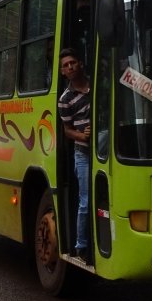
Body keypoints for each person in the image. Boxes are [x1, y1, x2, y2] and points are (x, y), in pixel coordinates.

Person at [57, 48, 91, 264]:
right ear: (62, 72)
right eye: (65, 65)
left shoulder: (97, 85)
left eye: (73, 62)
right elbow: (67, 130)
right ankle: (82, 246)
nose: (70, 67)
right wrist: (82, 135)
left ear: (80, 64)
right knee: (85, 202)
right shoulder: (65, 99)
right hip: (83, 153)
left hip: (107, 152)